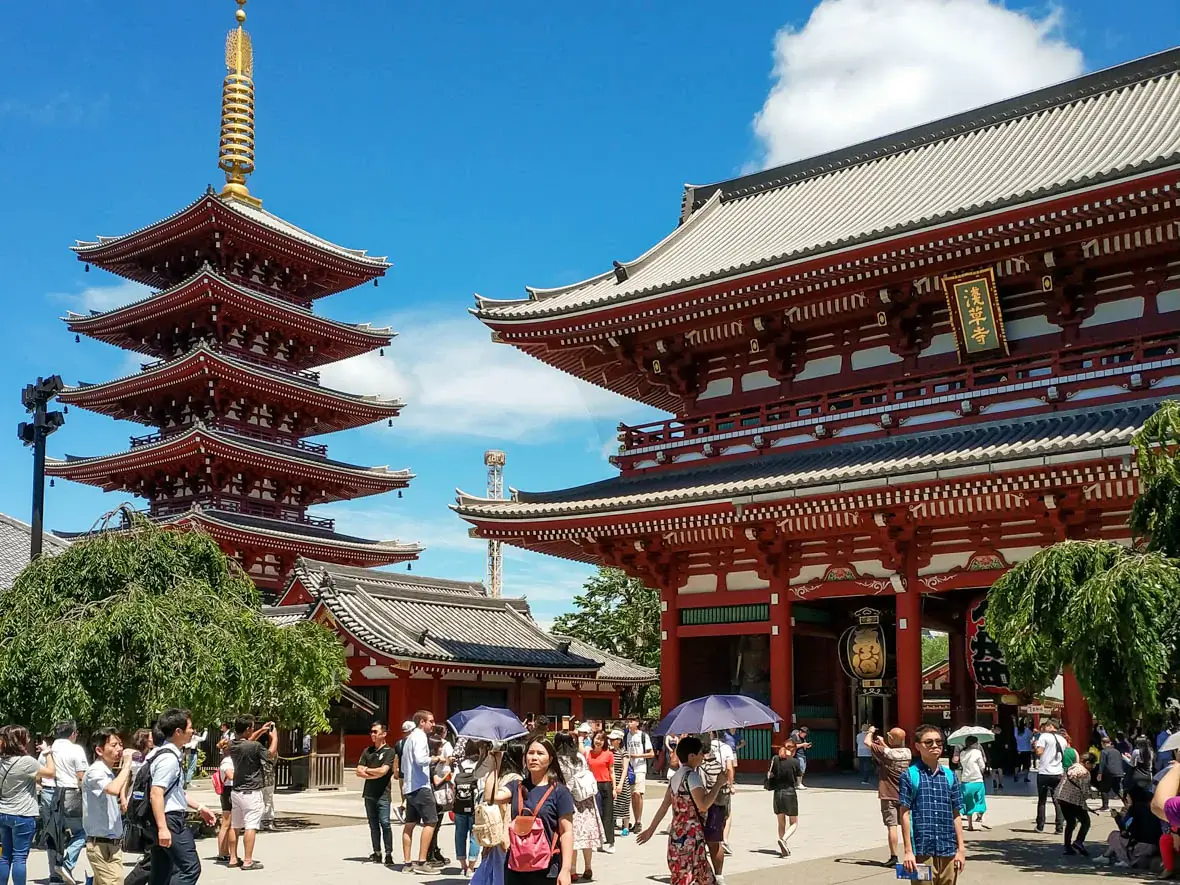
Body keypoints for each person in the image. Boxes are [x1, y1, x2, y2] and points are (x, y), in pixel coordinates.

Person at [637, 736, 724, 885]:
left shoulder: (676, 777)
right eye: (700, 753)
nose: (703, 757)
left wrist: (651, 830)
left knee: (691, 876)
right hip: (692, 836)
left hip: (677, 834)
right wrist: (718, 784)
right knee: (695, 877)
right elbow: (702, 805)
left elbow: (664, 807)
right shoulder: (692, 777)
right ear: (691, 756)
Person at [147, 709, 218, 885]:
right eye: (190, 727)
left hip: (163, 819)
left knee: (161, 872)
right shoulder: (168, 759)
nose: (193, 731)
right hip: (170, 820)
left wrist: (200, 808)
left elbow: (175, 792)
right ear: (178, 731)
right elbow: (156, 793)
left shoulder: (161, 754)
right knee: (190, 869)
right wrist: (163, 828)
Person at [900, 725, 966, 885]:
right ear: (917, 746)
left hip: (948, 850)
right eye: (928, 742)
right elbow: (904, 813)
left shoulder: (950, 776)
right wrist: (908, 851)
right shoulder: (910, 775)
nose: (935, 746)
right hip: (922, 851)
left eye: (939, 742)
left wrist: (961, 849)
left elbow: (956, 813)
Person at [505, 738, 574, 885]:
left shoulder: (559, 792)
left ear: (550, 759)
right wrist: (494, 758)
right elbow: (491, 797)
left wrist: (566, 869)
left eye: (540, 753)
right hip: (516, 866)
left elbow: (566, 832)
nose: (534, 757)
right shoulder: (515, 787)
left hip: (547, 869)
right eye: (530, 753)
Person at [0, 725, 56, 885]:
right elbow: (51, 773)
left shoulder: (1, 761)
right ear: (20, 741)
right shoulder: (26, 762)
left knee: (5, 856)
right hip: (23, 814)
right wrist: (48, 753)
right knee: (19, 857)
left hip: (3, 813)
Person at [82, 728, 137, 885]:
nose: (119, 748)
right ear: (99, 750)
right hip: (100, 845)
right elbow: (112, 789)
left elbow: (118, 789)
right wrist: (126, 765)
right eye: (114, 745)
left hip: (112, 843)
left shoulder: (108, 772)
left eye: (120, 744)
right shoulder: (95, 772)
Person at [471, 741, 525, 885]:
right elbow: (501, 807)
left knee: (492, 874)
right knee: (500, 875)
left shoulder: (501, 777)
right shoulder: (515, 779)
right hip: (503, 833)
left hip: (495, 832)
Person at [228, 717, 278, 871]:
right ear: (248, 728)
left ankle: (233, 858)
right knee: (251, 825)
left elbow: (247, 741)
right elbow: (270, 756)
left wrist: (262, 730)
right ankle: (248, 861)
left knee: (235, 825)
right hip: (252, 791)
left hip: (236, 791)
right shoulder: (255, 747)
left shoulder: (232, 744)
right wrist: (274, 738)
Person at [554, 733, 603, 881]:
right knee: (587, 835)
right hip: (585, 799)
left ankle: (573, 870)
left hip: (568, 798)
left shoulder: (558, 760)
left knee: (571, 834)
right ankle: (588, 867)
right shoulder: (579, 757)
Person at [50, 720, 89, 884]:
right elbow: (82, 776)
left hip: (53, 794)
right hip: (71, 794)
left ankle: (55, 875)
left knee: (56, 836)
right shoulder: (76, 749)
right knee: (82, 832)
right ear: (73, 733)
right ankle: (66, 863)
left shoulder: (50, 750)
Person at [867, 725, 911, 867]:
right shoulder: (907, 752)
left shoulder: (886, 753)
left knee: (892, 826)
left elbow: (867, 742)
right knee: (906, 825)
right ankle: (910, 852)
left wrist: (870, 732)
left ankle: (893, 856)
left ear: (891, 738)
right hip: (904, 794)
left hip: (888, 793)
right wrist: (884, 743)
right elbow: (891, 752)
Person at [402, 710, 439, 873]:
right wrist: (435, 758)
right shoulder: (420, 737)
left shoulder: (409, 738)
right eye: (430, 721)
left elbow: (404, 765)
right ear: (421, 722)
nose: (433, 724)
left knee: (409, 824)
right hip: (420, 785)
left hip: (409, 786)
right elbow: (420, 759)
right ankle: (422, 861)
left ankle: (407, 863)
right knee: (431, 821)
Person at [356, 722, 398, 866]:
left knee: (385, 823)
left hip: (383, 794)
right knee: (373, 825)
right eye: (371, 732)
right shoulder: (367, 751)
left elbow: (384, 771)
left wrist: (367, 771)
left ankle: (388, 853)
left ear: (383, 734)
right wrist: (373, 773)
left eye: (375, 732)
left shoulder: (389, 752)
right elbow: (358, 771)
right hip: (369, 794)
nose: (372, 734)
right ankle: (377, 852)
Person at [452, 741, 484, 878]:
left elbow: (453, 784)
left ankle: (462, 865)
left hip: (459, 805)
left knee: (460, 834)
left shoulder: (460, 765)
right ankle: (471, 867)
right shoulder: (480, 765)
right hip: (474, 806)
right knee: (474, 836)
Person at [766, 740, 801, 857]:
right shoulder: (795, 762)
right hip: (790, 793)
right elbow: (798, 780)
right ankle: (784, 840)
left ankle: (783, 847)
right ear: (793, 750)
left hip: (777, 793)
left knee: (781, 822)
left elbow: (770, 774)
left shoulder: (775, 759)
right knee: (794, 822)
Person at [1056, 751, 1095, 856]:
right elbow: (1085, 792)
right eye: (1092, 764)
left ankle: (1067, 847)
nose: (1092, 766)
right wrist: (1091, 796)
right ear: (1087, 763)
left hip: (1062, 798)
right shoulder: (1085, 773)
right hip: (1074, 801)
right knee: (1086, 822)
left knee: (1070, 822)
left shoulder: (1071, 767)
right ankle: (1078, 842)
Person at [585, 731, 616, 855]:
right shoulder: (588, 754)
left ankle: (609, 842)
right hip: (592, 785)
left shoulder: (608, 754)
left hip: (606, 784)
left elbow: (612, 771)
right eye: (597, 738)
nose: (598, 741)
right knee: (594, 814)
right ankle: (595, 841)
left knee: (608, 814)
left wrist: (614, 788)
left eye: (601, 740)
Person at [1034, 720, 1067, 834]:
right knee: (1057, 800)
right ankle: (1059, 827)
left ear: (1050, 726)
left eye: (1046, 726)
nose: (1044, 728)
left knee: (1042, 801)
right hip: (1058, 772)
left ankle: (1040, 825)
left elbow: (1039, 752)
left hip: (1045, 772)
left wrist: (1035, 745)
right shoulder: (1063, 739)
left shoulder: (1044, 736)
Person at [709, 733, 737, 857]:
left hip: (707, 783)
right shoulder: (726, 748)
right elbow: (729, 768)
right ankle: (724, 839)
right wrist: (731, 784)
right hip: (721, 784)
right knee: (727, 814)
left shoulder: (706, 747)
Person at [624, 718, 654, 834]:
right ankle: (635, 821)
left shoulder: (643, 736)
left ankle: (639, 821)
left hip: (640, 768)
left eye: (632, 721)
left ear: (637, 723)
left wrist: (637, 756)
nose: (629, 723)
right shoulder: (626, 736)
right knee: (632, 795)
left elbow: (651, 753)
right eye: (628, 721)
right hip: (629, 769)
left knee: (638, 794)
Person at [957, 736, 988, 831]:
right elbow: (982, 765)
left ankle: (970, 825)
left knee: (968, 802)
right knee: (980, 800)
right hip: (977, 779)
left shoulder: (962, 753)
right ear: (975, 743)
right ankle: (980, 817)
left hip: (966, 781)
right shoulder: (977, 752)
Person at [215, 739, 235, 865]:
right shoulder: (227, 762)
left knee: (228, 822)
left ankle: (225, 851)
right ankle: (222, 852)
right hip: (228, 790)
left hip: (229, 790)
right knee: (226, 823)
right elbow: (231, 775)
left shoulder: (228, 760)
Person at [608, 731, 632, 836]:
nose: (611, 741)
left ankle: (626, 826)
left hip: (621, 780)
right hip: (611, 780)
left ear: (619, 740)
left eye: (613, 739)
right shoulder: (609, 752)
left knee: (624, 804)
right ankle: (612, 824)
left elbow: (625, 769)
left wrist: (620, 784)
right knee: (612, 804)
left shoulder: (624, 753)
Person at [1097, 735, 1126, 811]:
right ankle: (1126, 802)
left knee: (1104, 789)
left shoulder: (1104, 752)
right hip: (1118, 772)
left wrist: (1100, 774)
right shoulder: (1117, 751)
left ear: (1102, 743)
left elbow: (1102, 763)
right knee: (1117, 789)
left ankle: (1105, 806)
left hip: (1108, 773)